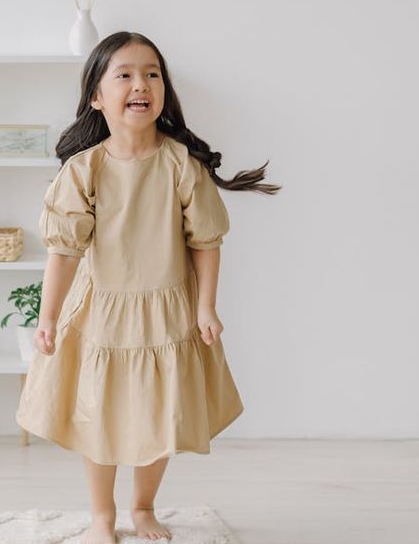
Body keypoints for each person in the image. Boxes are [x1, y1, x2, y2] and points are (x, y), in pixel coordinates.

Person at [16, 31, 280, 543]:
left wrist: (206, 306)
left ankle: (142, 508)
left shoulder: (181, 164)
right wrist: (47, 317)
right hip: (102, 315)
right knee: (99, 416)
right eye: (126, 74)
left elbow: (206, 240)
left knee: (161, 416)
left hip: (166, 314)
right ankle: (100, 517)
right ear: (97, 96)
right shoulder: (84, 170)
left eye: (152, 73)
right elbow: (64, 251)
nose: (142, 84)